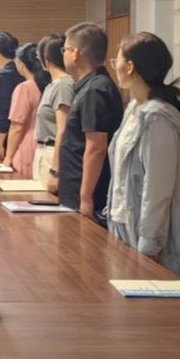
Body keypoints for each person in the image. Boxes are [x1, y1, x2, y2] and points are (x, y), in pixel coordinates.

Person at [105, 32, 180, 277]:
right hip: (122, 217)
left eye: (117, 61)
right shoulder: (135, 108)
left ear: (130, 66)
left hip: (146, 230)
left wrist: (149, 243)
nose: (115, 66)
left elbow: (157, 188)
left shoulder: (156, 119)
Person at [58, 22, 123, 221]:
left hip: (88, 192)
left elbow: (96, 148)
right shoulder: (89, 85)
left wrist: (85, 197)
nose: (63, 54)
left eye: (65, 49)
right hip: (76, 186)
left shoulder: (95, 90)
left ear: (75, 53)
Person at [36, 35, 75, 194]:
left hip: (52, 155)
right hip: (43, 151)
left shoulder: (63, 85)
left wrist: (55, 170)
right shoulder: (52, 85)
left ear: (46, 59)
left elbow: (62, 130)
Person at [5, 43, 49, 177]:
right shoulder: (48, 85)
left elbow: (17, 127)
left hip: (26, 146)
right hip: (44, 147)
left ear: (21, 64)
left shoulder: (24, 88)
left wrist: (8, 157)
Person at [0, 31, 23, 160]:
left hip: (6, 139)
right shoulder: (19, 71)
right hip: (18, 135)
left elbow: (3, 111)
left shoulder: (5, 76)